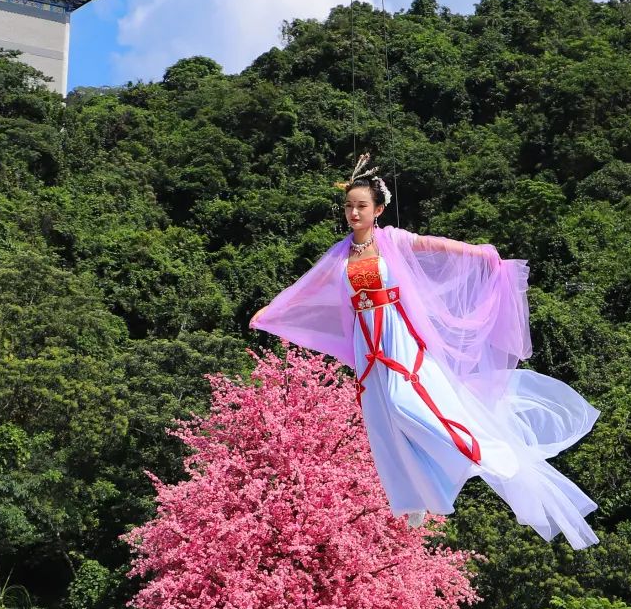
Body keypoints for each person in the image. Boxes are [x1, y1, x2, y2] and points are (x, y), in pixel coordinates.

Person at [250, 156, 600, 550]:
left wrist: (480, 253)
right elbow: (308, 287)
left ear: (378, 210)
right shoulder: (341, 253)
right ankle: (416, 496)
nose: (353, 213)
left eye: (361, 206)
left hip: (398, 336)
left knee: (407, 405)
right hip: (367, 345)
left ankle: (478, 452)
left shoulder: (391, 240)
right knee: (384, 422)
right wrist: (272, 311)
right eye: (348, 206)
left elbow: (436, 246)